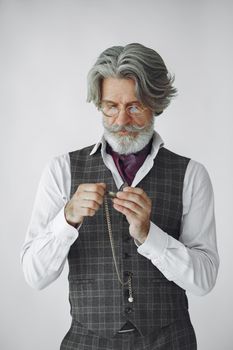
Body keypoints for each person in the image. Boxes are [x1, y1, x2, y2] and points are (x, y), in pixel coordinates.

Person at [21, 43, 219, 350]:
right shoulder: (61, 170)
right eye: (111, 106)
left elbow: (204, 281)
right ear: (99, 103)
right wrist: (67, 219)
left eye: (135, 106)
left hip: (171, 342)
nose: (121, 121)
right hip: (85, 342)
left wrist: (148, 234)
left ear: (157, 103)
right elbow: (35, 276)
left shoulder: (192, 174)